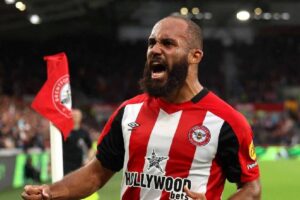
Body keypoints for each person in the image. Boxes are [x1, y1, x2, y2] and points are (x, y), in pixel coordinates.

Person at [21, 15, 261, 200]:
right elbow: (96, 173)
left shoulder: (226, 121)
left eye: (168, 43)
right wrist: (49, 193)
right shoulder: (128, 112)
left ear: (195, 55)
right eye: (151, 43)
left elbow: (251, 187)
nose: (155, 50)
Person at [63, 109, 92, 175]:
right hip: (66, 164)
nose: (75, 117)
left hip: (80, 164)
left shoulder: (84, 133)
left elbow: (90, 147)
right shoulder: (64, 131)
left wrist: (88, 159)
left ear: (80, 117)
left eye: (77, 115)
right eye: (74, 115)